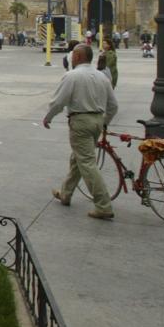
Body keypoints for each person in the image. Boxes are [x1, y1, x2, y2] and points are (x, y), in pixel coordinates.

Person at [43, 44, 118, 220]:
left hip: (80, 121)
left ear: (76, 56)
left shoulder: (72, 76)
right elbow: (113, 106)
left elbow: (58, 102)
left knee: (86, 162)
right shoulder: (102, 77)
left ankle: (103, 205)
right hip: (97, 121)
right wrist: (104, 122)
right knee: (78, 158)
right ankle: (66, 193)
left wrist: (48, 117)